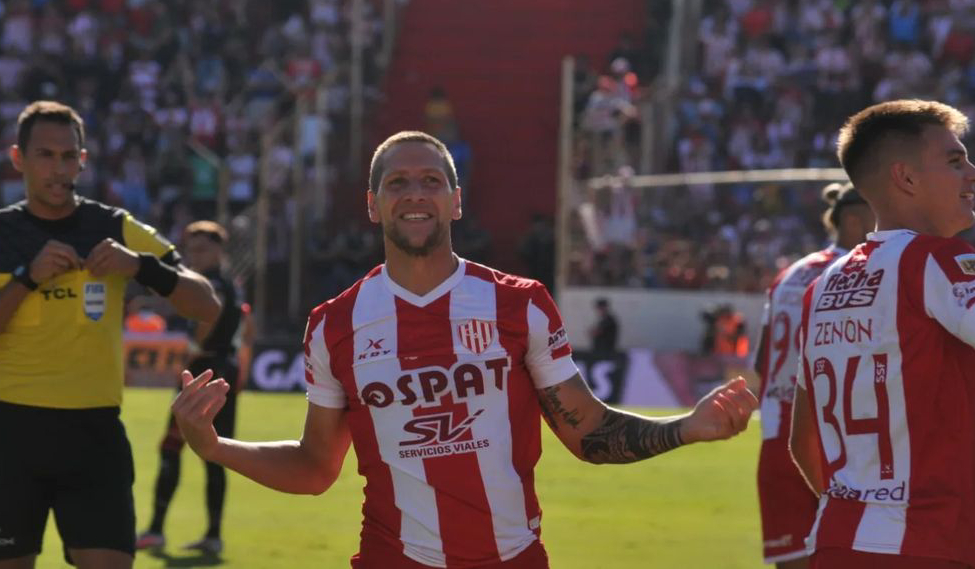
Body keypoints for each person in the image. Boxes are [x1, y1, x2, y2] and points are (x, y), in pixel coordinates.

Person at [172, 131, 758, 569]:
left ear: (456, 199)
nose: (415, 194)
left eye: (431, 180)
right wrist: (215, 446)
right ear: (373, 204)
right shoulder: (334, 325)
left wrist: (687, 426)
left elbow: (589, 435)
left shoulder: (519, 304)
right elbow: (315, 466)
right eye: (396, 183)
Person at [0, 101, 221, 569]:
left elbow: (207, 302)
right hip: (10, 434)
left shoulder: (114, 227)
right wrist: (26, 278)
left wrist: (141, 266)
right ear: (18, 158)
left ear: (83, 160)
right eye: (45, 155)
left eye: (68, 156)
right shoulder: (3, 233)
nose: (59, 169)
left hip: (94, 435)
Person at [791, 99, 975, 569]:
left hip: (836, 541)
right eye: (955, 162)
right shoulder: (935, 261)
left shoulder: (821, 287)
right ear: (906, 178)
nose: (971, 173)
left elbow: (802, 441)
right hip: (929, 545)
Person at [753, 182, 874, 569]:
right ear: (854, 219)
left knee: (792, 560)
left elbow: (761, 362)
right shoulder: (863, 272)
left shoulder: (788, 275)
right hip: (841, 438)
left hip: (778, 437)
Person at [136, 220, 250, 555]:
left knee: (171, 446)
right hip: (225, 369)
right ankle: (213, 536)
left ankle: (156, 530)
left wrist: (194, 349)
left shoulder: (210, 283)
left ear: (218, 249)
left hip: (203, 371)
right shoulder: (234, 283)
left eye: (202, 249)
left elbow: (208, 316)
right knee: (218, 452)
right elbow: (248, 321)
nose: (194, 256)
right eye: (191, 249)